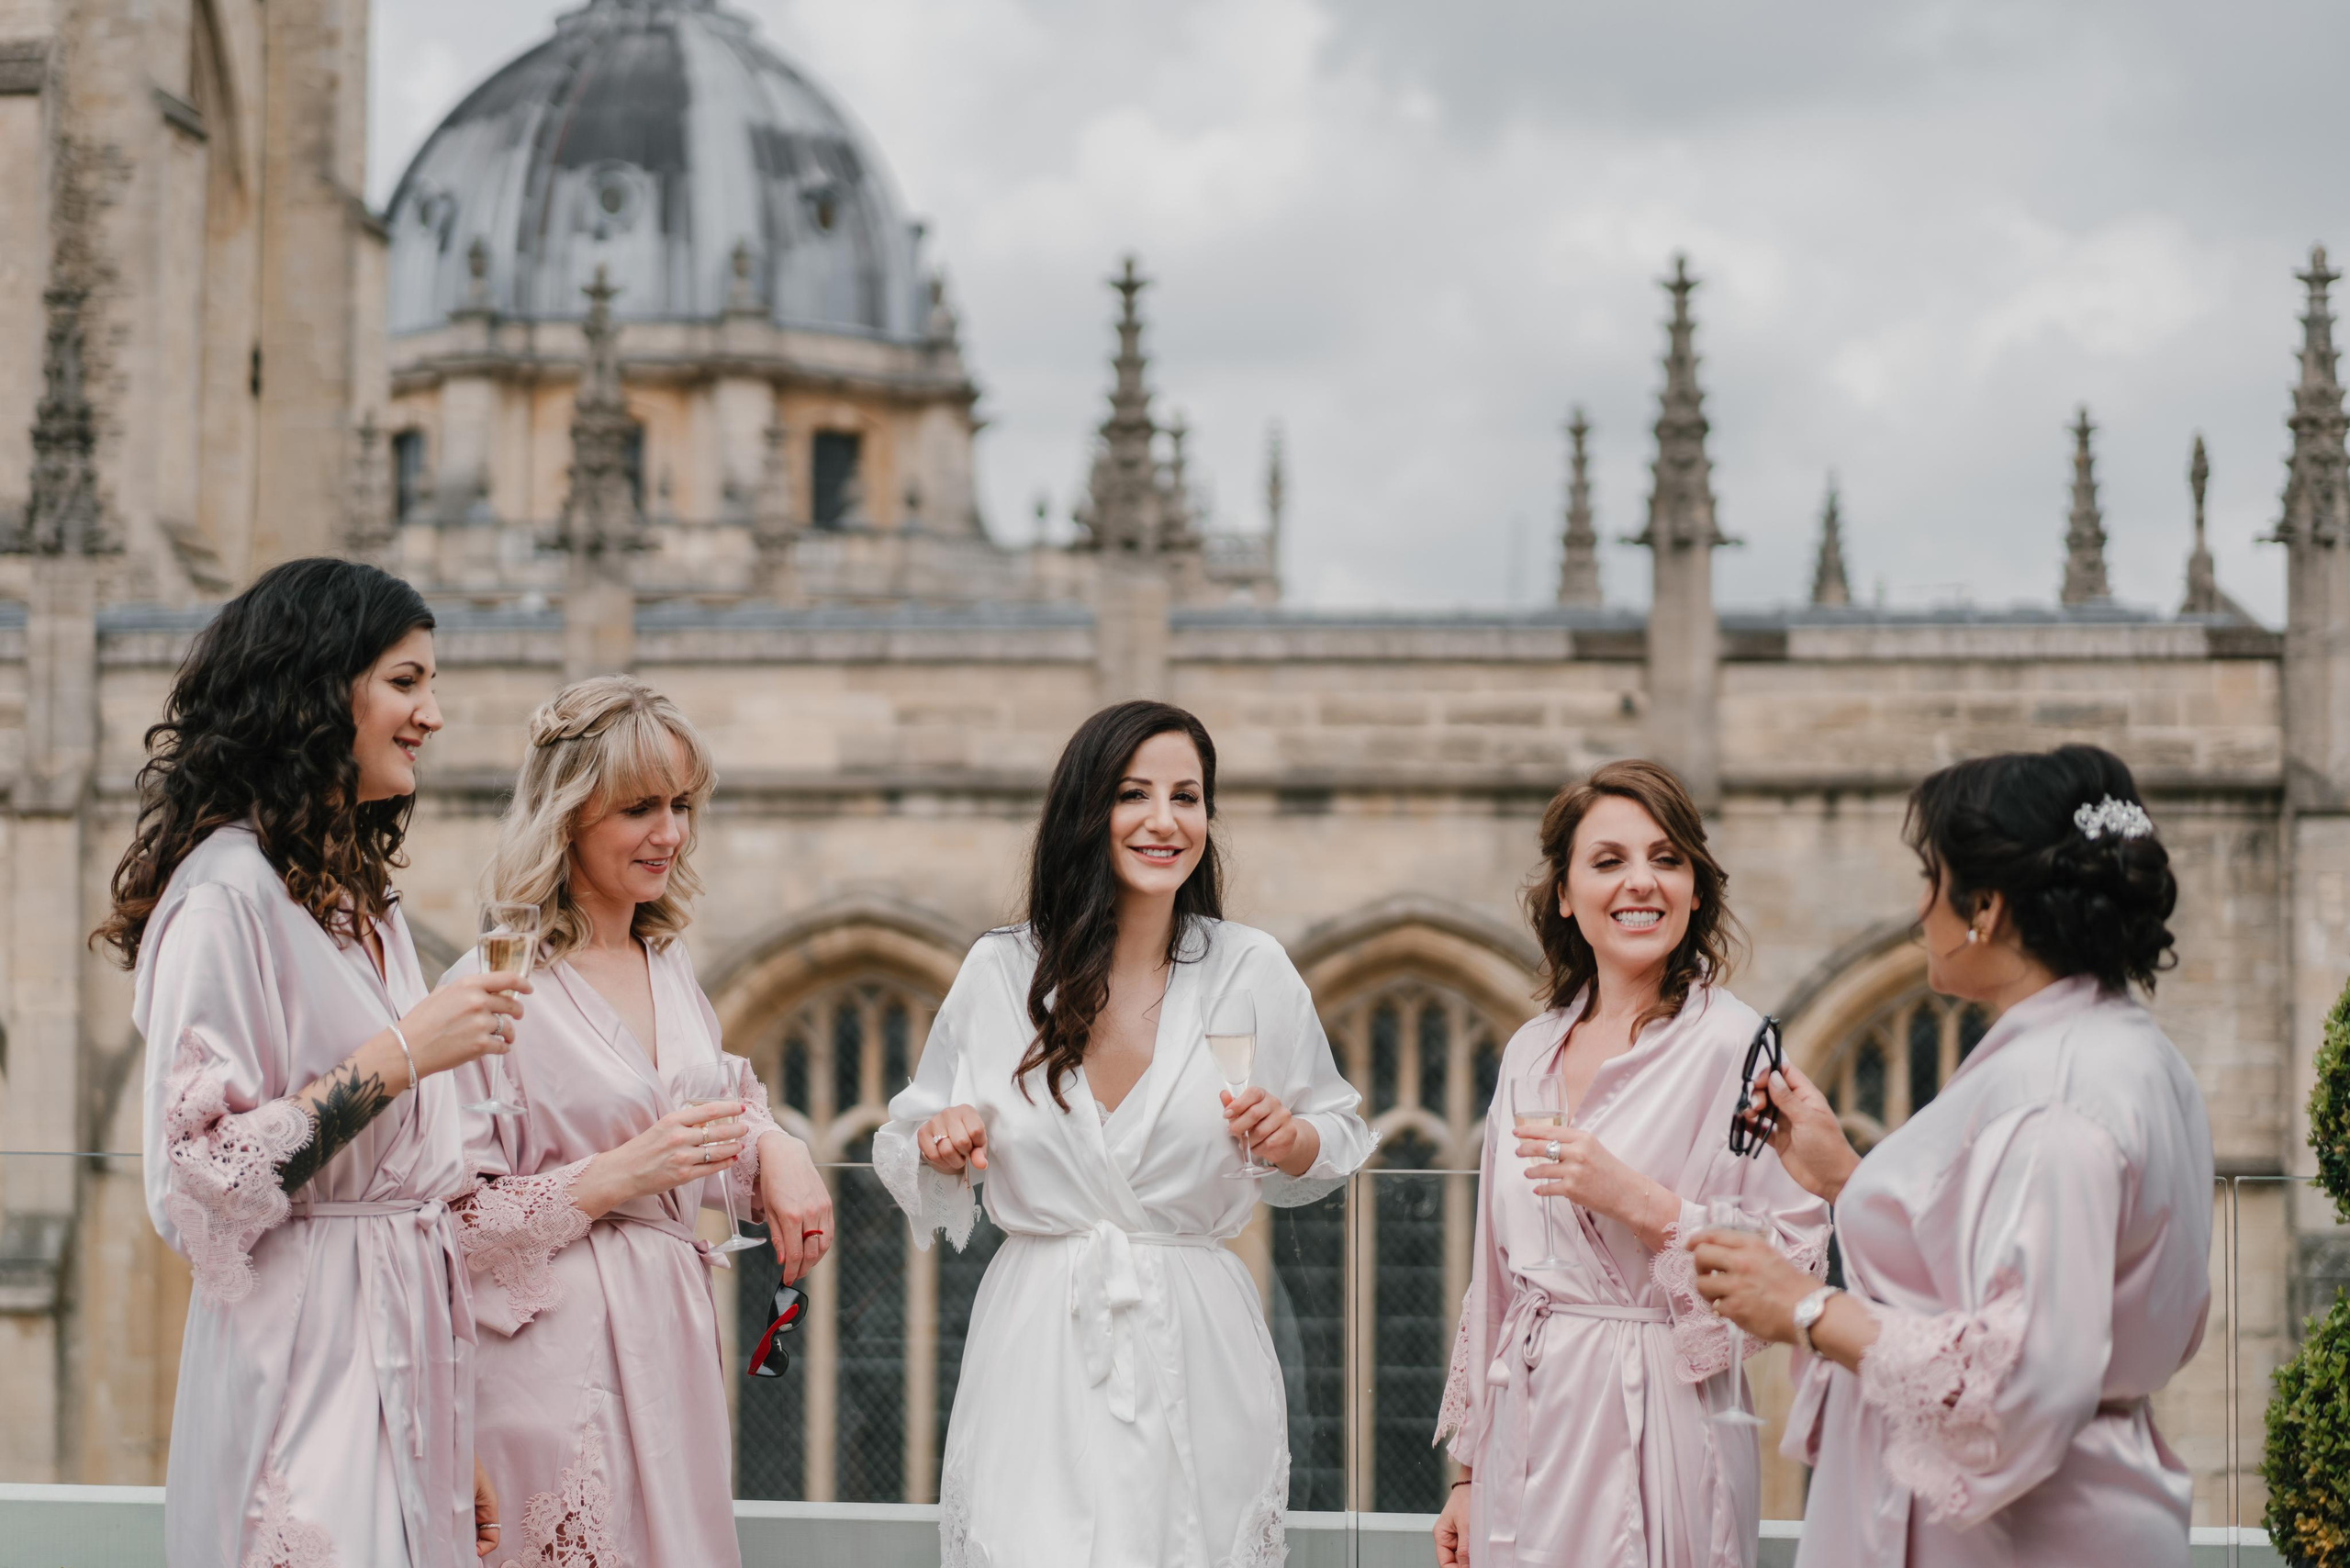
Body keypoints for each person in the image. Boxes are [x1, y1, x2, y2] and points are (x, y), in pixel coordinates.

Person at [874, 700, 1374, 1568]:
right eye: (1134, 794)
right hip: (1041, 1335)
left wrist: (1289, 1138)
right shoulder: (1001, 971)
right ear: (1086, 811)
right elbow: (910, 1131)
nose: (1164, 820)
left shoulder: (1251, 970)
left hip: (1199, 1333)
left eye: (1188, 796)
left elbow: (1335, 1133)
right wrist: (939, 1141)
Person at [1692, 744, 2213, 1567]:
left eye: (1930, 881)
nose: (1920, 912)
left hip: (2014, 1535)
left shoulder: (2055, 1095)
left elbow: (2022, 1380)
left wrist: (1803, 1307)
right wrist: (1844, 1177)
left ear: (1986, 908)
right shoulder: (2117, 1049)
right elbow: (2014, 1267)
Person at [104, 558, 524, 1564]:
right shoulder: (224, 896)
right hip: (299, 1356)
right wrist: (400, 1056)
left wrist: (445, 1419)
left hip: (403, 1348)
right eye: (405, 681)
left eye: (432, 684)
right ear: (315, 691)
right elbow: (199, 1182)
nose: (431, 713)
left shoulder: (361, 904)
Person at [447, 676, 833, 1567]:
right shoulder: (495, 980)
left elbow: (715, 1109)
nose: (670, 833)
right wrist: (620, 1173)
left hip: (673, 1347)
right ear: (568, 814)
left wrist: (779, 1145)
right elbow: (446, 1223)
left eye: (681, 804)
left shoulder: (669, 965)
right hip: (547, 1364)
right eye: (638, 809)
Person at [1433, 758, 1830, 1568]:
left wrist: (1641, 1203)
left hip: (1667, 1422)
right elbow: (1495, 1279)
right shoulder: (1530, 1051)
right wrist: (1468, 1475)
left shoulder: (1736, 1045)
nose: (1640, 883)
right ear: (1567, 896)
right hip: (1529, 1422)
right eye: (1609, 861)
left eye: (1666, 858)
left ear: (1695, 888)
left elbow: (1794, 1256)